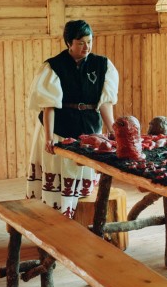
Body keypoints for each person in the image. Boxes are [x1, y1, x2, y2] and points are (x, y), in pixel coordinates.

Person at [25, 20, 118, 218]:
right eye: (81, 42)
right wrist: (49, 137)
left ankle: (80, 221)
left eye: (89, 41)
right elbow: (48, 106)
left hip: (89, 128)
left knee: (84, 179)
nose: (87, 46)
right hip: (59, 128)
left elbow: (105, 102)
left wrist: (112, 130)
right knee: (59, 172)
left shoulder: (102, 65)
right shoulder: (53, 67)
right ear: (69, 43)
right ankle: (54, 218)